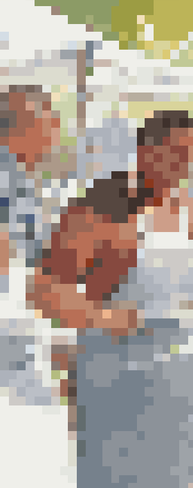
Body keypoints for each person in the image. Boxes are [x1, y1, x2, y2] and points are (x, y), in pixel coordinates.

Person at [32, 109, 193, 488]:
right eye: (175, 154)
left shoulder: (190, 211)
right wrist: (101, 319)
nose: (183, 166)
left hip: (186, 383)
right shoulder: (97, 209)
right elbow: (44, 291)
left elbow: (191, 286)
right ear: (144, 151)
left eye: (191, 156)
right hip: (119, 385)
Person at [0, 86, 73, 487]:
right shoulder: (6, 177)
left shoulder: (22, 180)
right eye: (48, 118)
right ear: (22, 125)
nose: (56, 130)